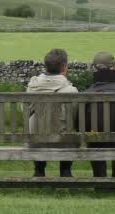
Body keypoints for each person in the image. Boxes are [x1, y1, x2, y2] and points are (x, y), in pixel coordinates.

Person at [26, 48, 78, 177]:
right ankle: (65, 170)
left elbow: (25, 111)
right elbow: (75, 116)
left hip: (35, 140)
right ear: (64, 67)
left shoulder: (32, 88)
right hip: (63, 140)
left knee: (36, 126)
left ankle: (39, 169)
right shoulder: (71, 91)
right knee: (70, 130)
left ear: (46, 66)